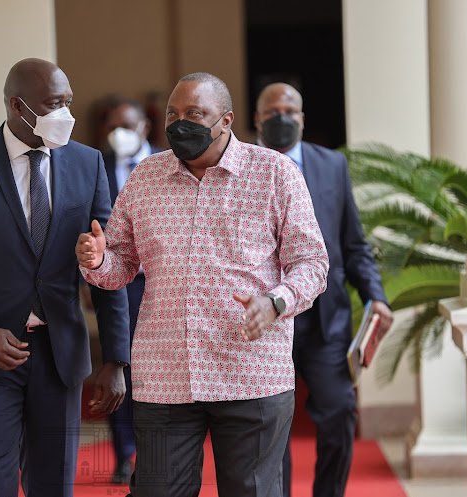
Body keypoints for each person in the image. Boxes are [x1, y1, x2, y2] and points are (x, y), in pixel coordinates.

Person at [76, 72, 329, 497]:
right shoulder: (145, 178)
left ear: (226, 120)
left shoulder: (275, 174)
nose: (180, 123)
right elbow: (120, 265)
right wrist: (99, 260)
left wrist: (275, 302)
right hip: (165, 376)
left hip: (251, 374)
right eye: (173, 114)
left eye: (195, 114)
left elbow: (311, 263)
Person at [0, 58, 130, 497]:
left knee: (53, 485)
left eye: (68, 102)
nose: (65, 114)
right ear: (18, 106)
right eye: (54, 104)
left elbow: (108, 264)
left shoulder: (87, 164)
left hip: (60, 355)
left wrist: (115, 358)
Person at [254, 82, 394, 497]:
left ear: (302, 118)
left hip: (325, 322)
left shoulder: (332, 165)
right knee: (272, 425)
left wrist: (376, 296)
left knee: (339, 411)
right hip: (266, 322)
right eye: (272, 111)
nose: (282, 117)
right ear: (257, 119)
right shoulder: (242, 166)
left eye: (290, 111)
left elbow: (353, 244)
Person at [101, 98, 164, 483]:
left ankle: (156, 455)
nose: (118, 134)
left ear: (144, 127)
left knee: (156, 372)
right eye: (112, 126)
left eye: (126, 125)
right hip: (116, 287)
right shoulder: (98, 167)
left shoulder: (168, 163)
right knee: (118, 367)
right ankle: (124, 454)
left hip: (158, 284)